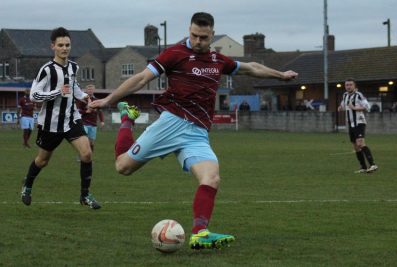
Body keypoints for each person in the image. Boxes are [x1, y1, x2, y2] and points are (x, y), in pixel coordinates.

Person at [90, 12, 297, 249]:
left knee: (211, 177)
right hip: (171, 123)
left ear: (212, 35)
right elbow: (141, 78)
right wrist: (108, 100)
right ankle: (128, 118)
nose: (198, 41)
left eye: (204, 38)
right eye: (194, 36)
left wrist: (281, 75)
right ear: (189, 31)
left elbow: (250, 68)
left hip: (197, 132)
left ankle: (200, 232)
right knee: (123, 167)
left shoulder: (217, 60)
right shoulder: (175, 54)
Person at [20, 27, 101, 209]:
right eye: (61, 45)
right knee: (42, 161)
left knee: (87, 153)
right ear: (53, 47)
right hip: (50, 123)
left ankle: (85, 195)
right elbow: (34, 95)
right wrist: (57, 92)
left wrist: (86, 98)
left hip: (71, 119)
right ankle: (27, 186)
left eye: (67, 45)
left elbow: (74, 88)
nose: (65, 48)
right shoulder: (46, 70)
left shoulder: (73, 66)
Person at [338, 78, 378, 173]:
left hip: (359, 122)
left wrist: (355, 108)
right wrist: (341, 108)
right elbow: (343, 105)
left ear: (354, 86)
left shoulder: (359, 95)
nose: (348, 86)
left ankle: (373, 165)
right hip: (351, 124)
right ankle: (363, 167)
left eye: (350, 85)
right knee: (356, 146)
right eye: (347, 85)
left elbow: (367, 107)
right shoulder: (345, 95)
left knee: (360, 143)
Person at [76, 84, 105, 154]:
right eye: (89, 89)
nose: (90, 91)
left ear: (94, 90)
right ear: (86, 90)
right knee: (84, 141)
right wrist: (86, 111)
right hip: (84, 123)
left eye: (91, 89)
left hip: (93, 124)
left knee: (91, 142)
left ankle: (89, 155)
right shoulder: (82, 100)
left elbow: (100, 111)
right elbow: (78, 111)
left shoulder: (97, 100)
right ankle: (81, 155)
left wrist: (102, 121)